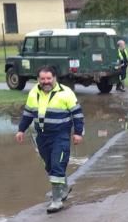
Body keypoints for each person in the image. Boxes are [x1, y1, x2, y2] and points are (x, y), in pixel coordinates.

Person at [14, 65, 84, 213]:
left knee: (58, 164)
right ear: (38, 79)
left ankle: (57, 200)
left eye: (48, 78)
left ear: (54, 78)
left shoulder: (66, 93)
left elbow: (77, 114)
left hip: (60, 136)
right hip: (42, 137)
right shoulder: (34, 92)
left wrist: (78, 133)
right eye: (42, 79)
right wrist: (21, 130)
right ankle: (62, 188)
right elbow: (28, 113)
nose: (46, 81)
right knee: (50, 166)